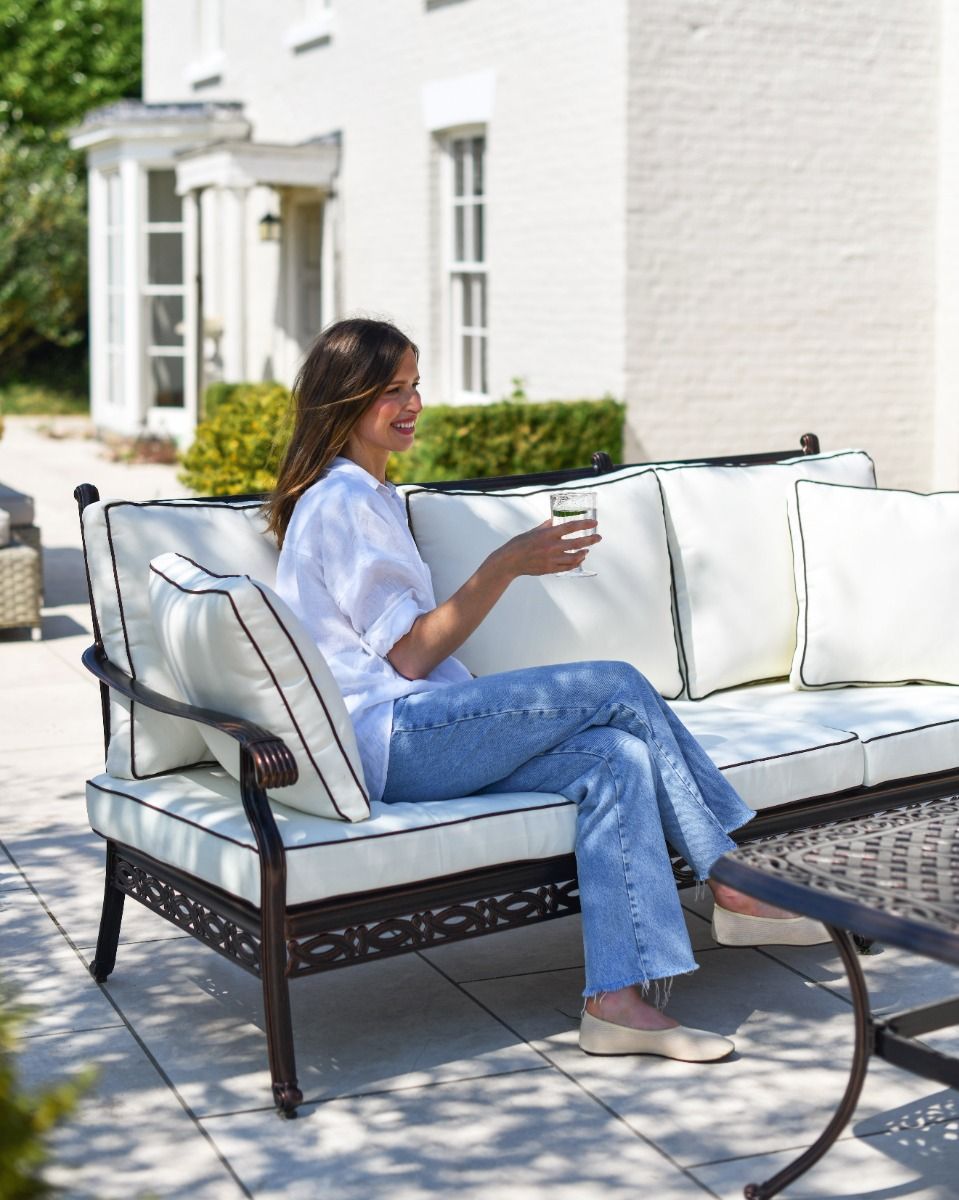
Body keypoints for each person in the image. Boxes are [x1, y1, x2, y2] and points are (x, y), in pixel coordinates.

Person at [268, 317, 828, 1064]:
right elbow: (406, 657)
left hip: (413, 730)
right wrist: (505, 563)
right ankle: (730, 878)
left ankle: (617, 1004)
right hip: (393, 735)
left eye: (415, 385)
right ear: (346, 400)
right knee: (619, 685)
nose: (412, 404)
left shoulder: (364, 493)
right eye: (391, 391)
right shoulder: (342, 502)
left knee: (613, 760)